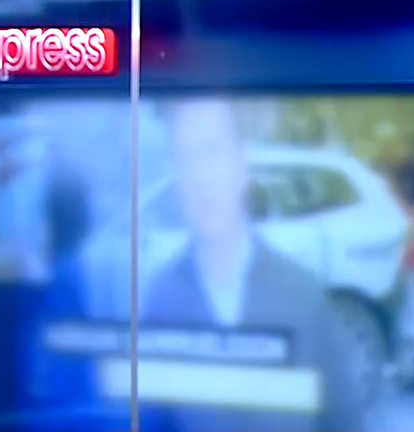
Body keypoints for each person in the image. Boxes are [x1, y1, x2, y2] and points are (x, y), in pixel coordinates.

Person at [141, 98, 362, 432]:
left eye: (212, 151)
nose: (201, 176)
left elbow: (344, 423)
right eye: (187, 158)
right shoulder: (161, 300)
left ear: (240, 165)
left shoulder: (304, 296)